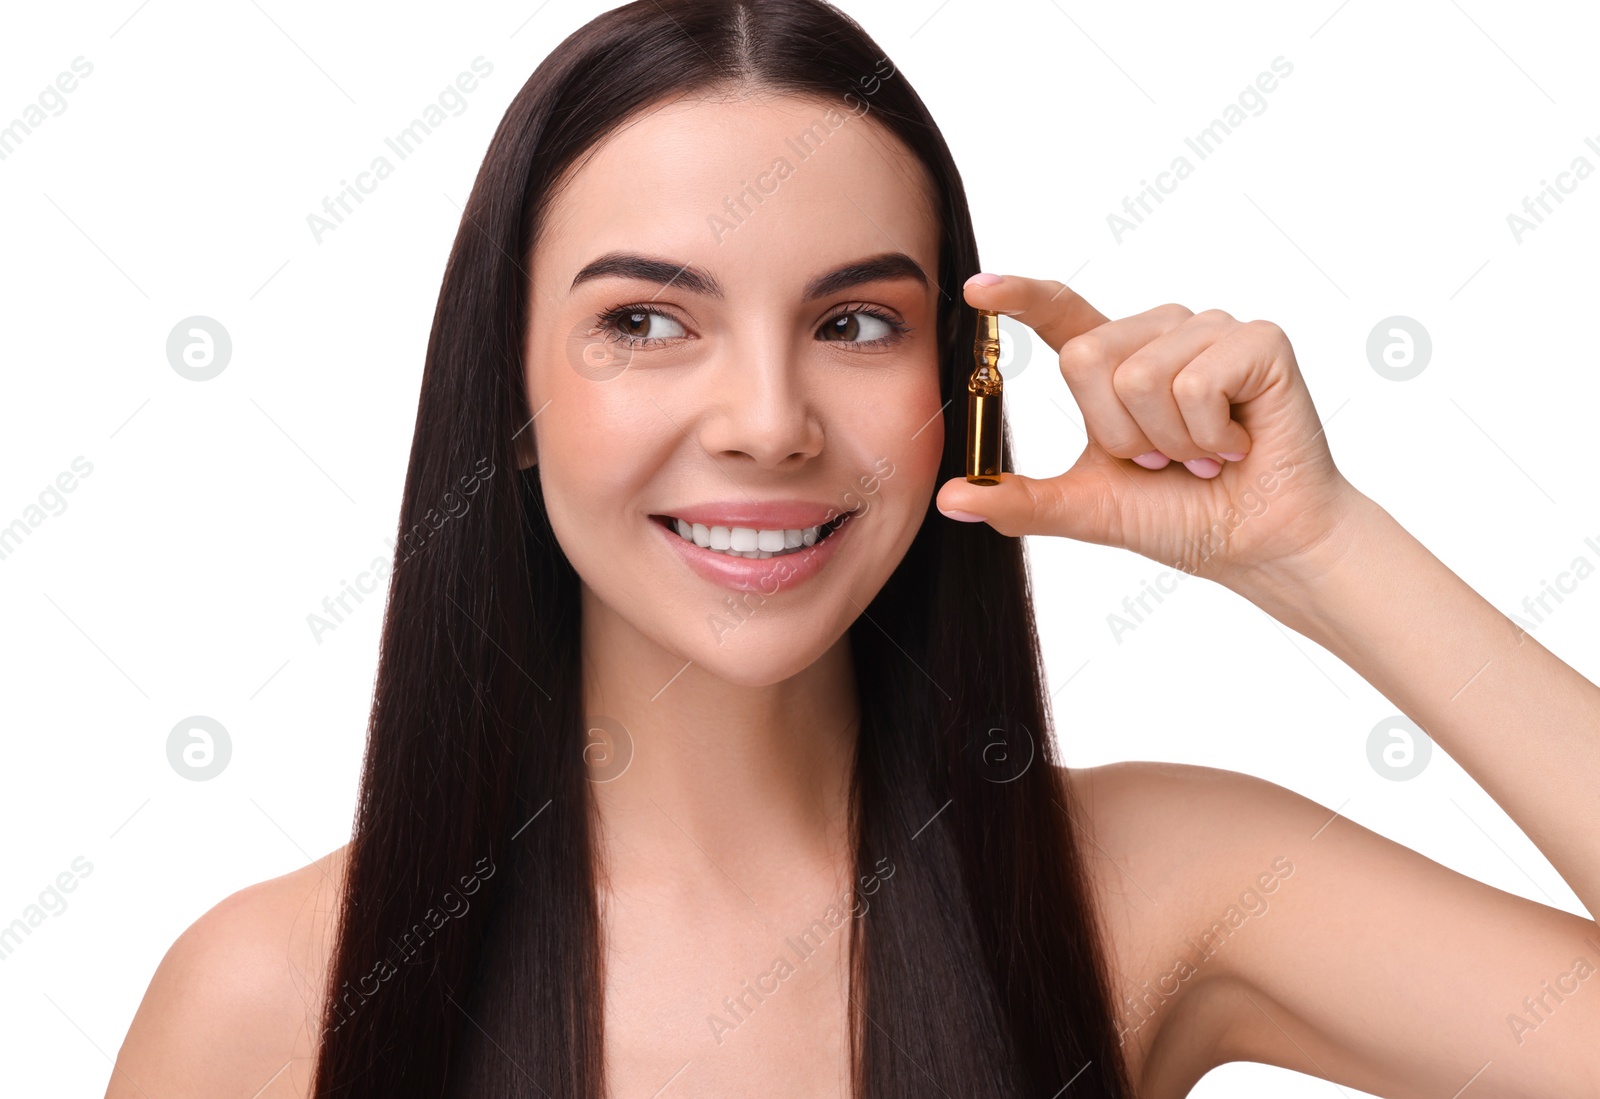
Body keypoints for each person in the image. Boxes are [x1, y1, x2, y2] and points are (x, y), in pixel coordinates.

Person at [105, 1, 1600, 1096]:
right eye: (645, 321)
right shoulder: (269, 1000)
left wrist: (1318, 548)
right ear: (511, 395)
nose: (767, 420)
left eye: (855, 323)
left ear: (955, 388)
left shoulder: (1161, 886)